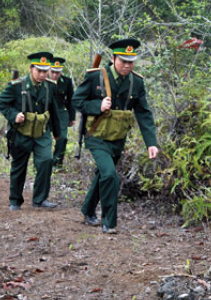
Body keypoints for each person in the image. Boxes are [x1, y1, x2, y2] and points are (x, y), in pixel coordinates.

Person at [72, 38, 159, 234]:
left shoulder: (136, 82)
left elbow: (144, 113)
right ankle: (109, 222)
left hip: (117, 138)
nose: (128, 65)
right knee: (110, 175)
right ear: (113, 58)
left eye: (131, 61)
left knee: (103, 174)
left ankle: (87, 209)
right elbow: (76, 101)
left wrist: (151, 143)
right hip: (97, 136)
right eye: (123, 61)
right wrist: (97, 106)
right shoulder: (96, 77)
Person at [0, 52, 62, 211]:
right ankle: (15, 201)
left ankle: (40, 199)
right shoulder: (17, 86)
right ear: (31, 68)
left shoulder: (50, 86)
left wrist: (57, 132)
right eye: (38, 70)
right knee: (19, 166)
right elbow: (1, 102)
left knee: (46, 161)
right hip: (21, 133)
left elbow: (53, 109)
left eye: (45, 71)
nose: (42, 74)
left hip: (41, 133)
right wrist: (13, 116)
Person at [49, 57, 75, 169]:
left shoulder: (67, 81)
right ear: (49, 70)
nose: (55, 75)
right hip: (45, 111)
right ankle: (42, 162)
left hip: (61, 111)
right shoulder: (42, 79)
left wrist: (72, 117)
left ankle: (57, 163)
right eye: (53, 72)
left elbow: (71, 100)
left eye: (57, 72)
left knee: (63, 138)